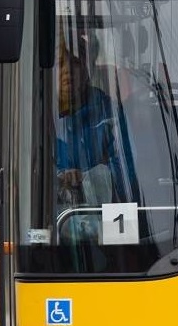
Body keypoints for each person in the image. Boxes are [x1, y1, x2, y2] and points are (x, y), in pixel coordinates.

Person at [55, 38, 129, 228]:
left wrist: (88, 177)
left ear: (88, 69)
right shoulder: (34, 116)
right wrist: (59, 177)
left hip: (108, 218)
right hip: (51, 222)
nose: (67, 71)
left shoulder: (109, 113)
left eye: (76, 63)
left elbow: (127, 171)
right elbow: (26, 173)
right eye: (60, 63)